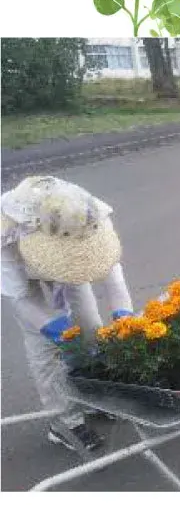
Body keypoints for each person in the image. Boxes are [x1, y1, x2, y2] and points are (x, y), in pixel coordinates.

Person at [1, 176, 135, 452]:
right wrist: (55, 329)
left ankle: (94, 397)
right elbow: (21, 297)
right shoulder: (6, 233)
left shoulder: (85, 215)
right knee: (43, 344)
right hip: (22, 270)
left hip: (66, 249)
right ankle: (65, 421)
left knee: (90, 325)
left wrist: (124, 317)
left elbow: (113, 276)